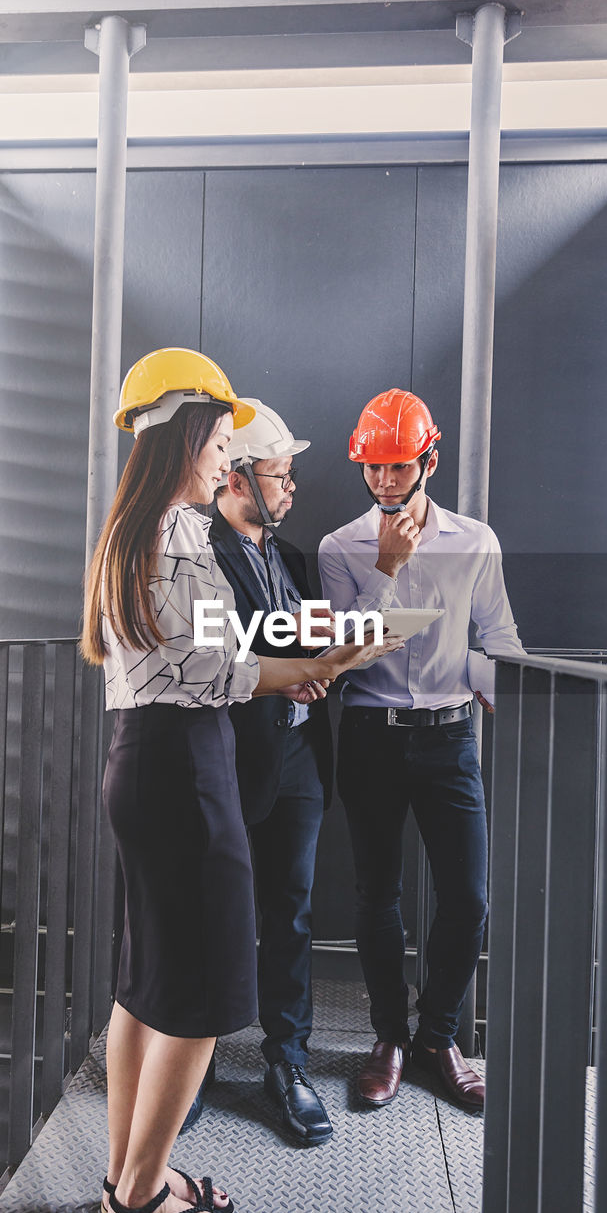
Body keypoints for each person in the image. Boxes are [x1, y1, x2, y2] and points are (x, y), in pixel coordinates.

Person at [81, 348, 401, 1213]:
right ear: (186, 431)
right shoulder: (180, 532)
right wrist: (340, 657)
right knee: (197, 999)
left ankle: (126, 1179)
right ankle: (139, 1206)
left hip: (147, 761)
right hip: (184, 769)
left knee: (146, 988)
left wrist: (315, 651)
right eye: (223, 441)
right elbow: (231, 666)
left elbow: (216, 650)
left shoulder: (132, 528)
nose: (229, 460)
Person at [318, 388, 524, 1112]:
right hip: (372, 736)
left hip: (447, 738)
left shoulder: (475, 541)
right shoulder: (339, 547)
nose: (383, 481)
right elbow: (341, 650)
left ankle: (437, 1037)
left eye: (397, 466)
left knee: (467, 898)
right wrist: (384, 567)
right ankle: (387, 1040)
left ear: (427, 460)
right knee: (377, 895)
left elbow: (497, 636)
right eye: (371, 468)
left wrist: (492, 681)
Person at [209, 399, 335, 1146]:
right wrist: (280, 669)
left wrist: (331, 660)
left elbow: (297, 639)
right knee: (213, 915)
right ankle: (193, 1067)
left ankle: (286, 1062)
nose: (290, 490)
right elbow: (206, 647)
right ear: (235, 477)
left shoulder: (290, 560)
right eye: (278, 475)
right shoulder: (196, 552)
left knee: (289, 911)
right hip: (227, 757)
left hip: (298, 757)